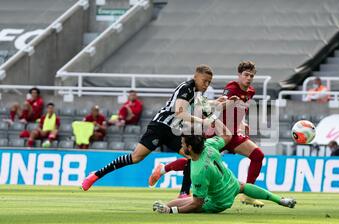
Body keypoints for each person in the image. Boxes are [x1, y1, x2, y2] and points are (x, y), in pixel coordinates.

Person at [81, 65, 217, 191]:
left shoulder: (197, 94)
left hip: (174, 131)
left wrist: (222, 102)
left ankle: (181, 191)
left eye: (209, 82)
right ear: (196, 77)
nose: (206, 85)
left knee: (193, 157)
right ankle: (96, 175)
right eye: (204, 81)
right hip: (160, 126)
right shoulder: (186, 87)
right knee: (135, 158)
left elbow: (204, 107)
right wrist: (203, 121)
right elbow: (180, 112)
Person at [149, 61, 266, 207]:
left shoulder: (250, 92)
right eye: (246, 75)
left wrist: (242, 125)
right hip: (218, 132)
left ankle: (248, 194)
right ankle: (163, 169)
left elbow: (238, 112)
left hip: (233, 134)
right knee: (196, 160)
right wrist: (226, 104)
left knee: (258, 155)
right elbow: (222, 106)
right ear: (239, 75)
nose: (248, 78)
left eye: (251, 76)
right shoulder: (231, 88)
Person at [152, 134, 296, 214]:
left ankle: (167, 209)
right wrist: (214, 115)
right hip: (232, 184)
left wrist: (172, 211)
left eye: (183, 144)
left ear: (190, 148)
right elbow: (227, 135)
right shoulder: (209, 145)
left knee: (190, 201)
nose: (181, 146)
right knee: (243, 186)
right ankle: (281, 200)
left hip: (219, 202)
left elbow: (196, 204)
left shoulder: (198, 172)